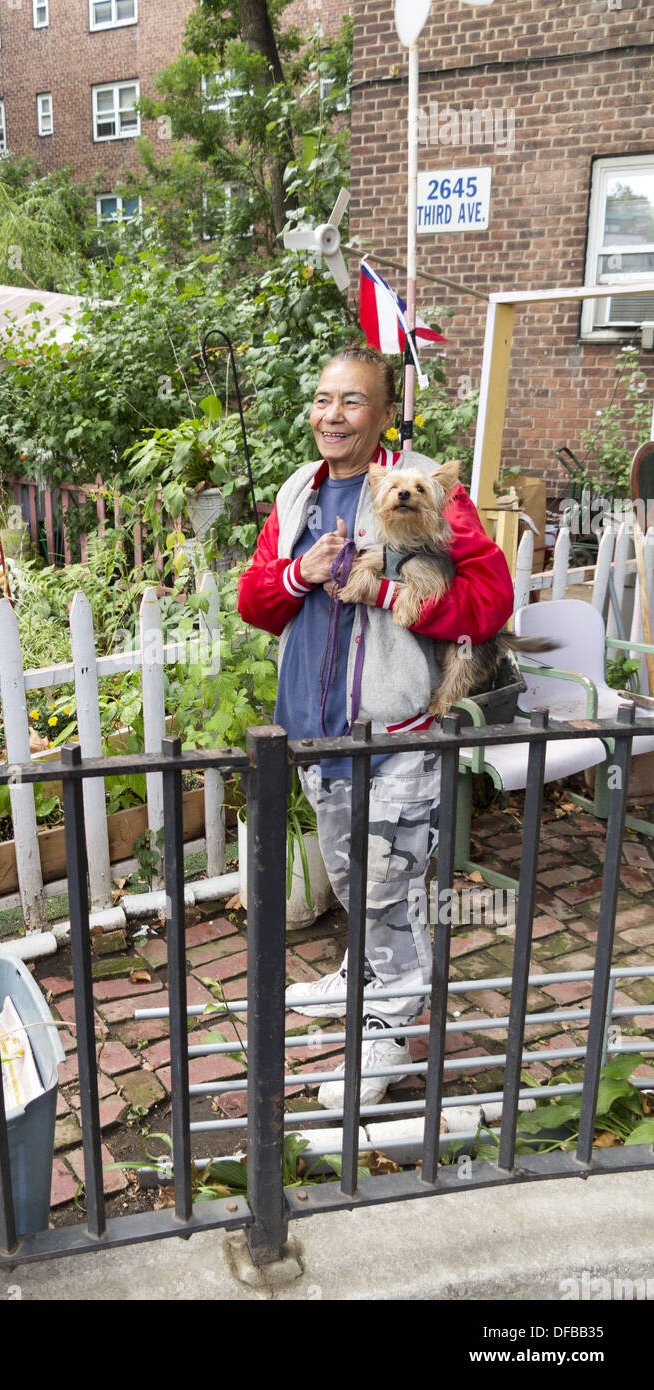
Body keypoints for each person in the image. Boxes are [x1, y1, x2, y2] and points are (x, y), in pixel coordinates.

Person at [237, 345, 513, 1107]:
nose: (332, 414)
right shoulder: (299, 492)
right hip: (314, 730)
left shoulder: (418, 484)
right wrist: (299, 574)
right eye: (323, 399)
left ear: (383, 413)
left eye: (352, 401)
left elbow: (490, 600)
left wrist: (397, 592)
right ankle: (362, 973)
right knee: (354, 872)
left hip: (393, 732)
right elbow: (255, 604)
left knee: (386, 881)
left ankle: (387, 1026)